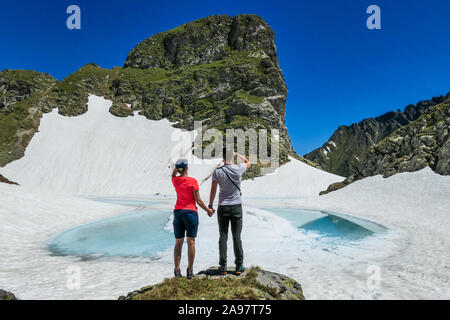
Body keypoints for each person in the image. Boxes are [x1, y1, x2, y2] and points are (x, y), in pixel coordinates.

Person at [208, 148, 251, 275]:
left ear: (222, 157)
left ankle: (223, 266)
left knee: (223, 237)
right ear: (232, 157)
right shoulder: (239, 168)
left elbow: (213, 190)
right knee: (237, 237)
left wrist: (210, 204)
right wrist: (239, 155)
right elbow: (248, 162)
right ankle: (239, 266)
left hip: (223, 207)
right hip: (236, 206)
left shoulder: (217, 171)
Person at [171, 158, 214, 279]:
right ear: (187, 167)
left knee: (178, 242)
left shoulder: (175, 181)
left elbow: (173, 174)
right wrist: (208, 211)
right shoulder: (192, 181)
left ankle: (177, 270)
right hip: (190, 212)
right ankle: (190, 271)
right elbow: (198, 200)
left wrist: (177, 168)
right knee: (191, 242)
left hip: (178, 212)